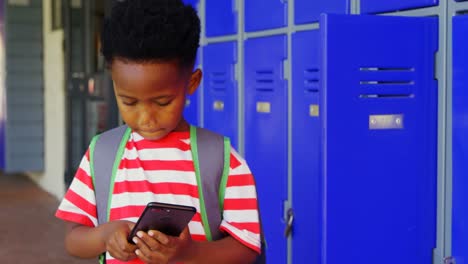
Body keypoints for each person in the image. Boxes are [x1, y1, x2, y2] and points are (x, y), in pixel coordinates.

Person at [55, 0, 261, 263]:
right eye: (129, 101)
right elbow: (73, 239)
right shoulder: (101, 154)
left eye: (163, 102)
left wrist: (190, 253)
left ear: (192, 83)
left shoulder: (221, 159)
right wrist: (104, 237)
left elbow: (246, 248)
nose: (146, 118)